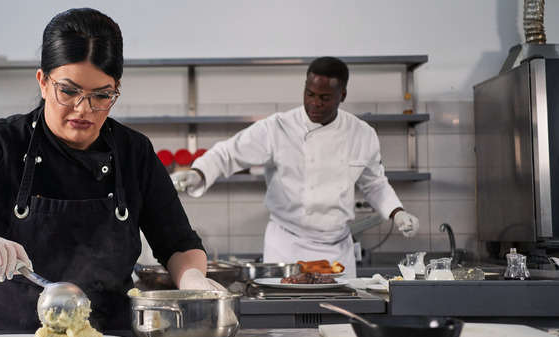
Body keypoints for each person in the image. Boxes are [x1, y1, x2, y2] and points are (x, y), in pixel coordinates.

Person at [0, 8, 222, 331]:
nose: (83, 109)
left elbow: (178, 244)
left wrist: (192, 278)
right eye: (68, 91)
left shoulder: (135, 152)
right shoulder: (3, 144)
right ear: (43, 82)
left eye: (102, 96)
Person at [170, 56, 419, 278]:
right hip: (286, 248)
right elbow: (228, 153)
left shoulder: (362, 134)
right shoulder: (278, 127)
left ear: (342, 95)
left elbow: (374, 184)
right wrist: (197, 172)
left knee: (337, 322)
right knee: (283, 323)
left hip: (337, 249)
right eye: (310, 94)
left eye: (324, 97)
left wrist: (397, 212)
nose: (315, 103)